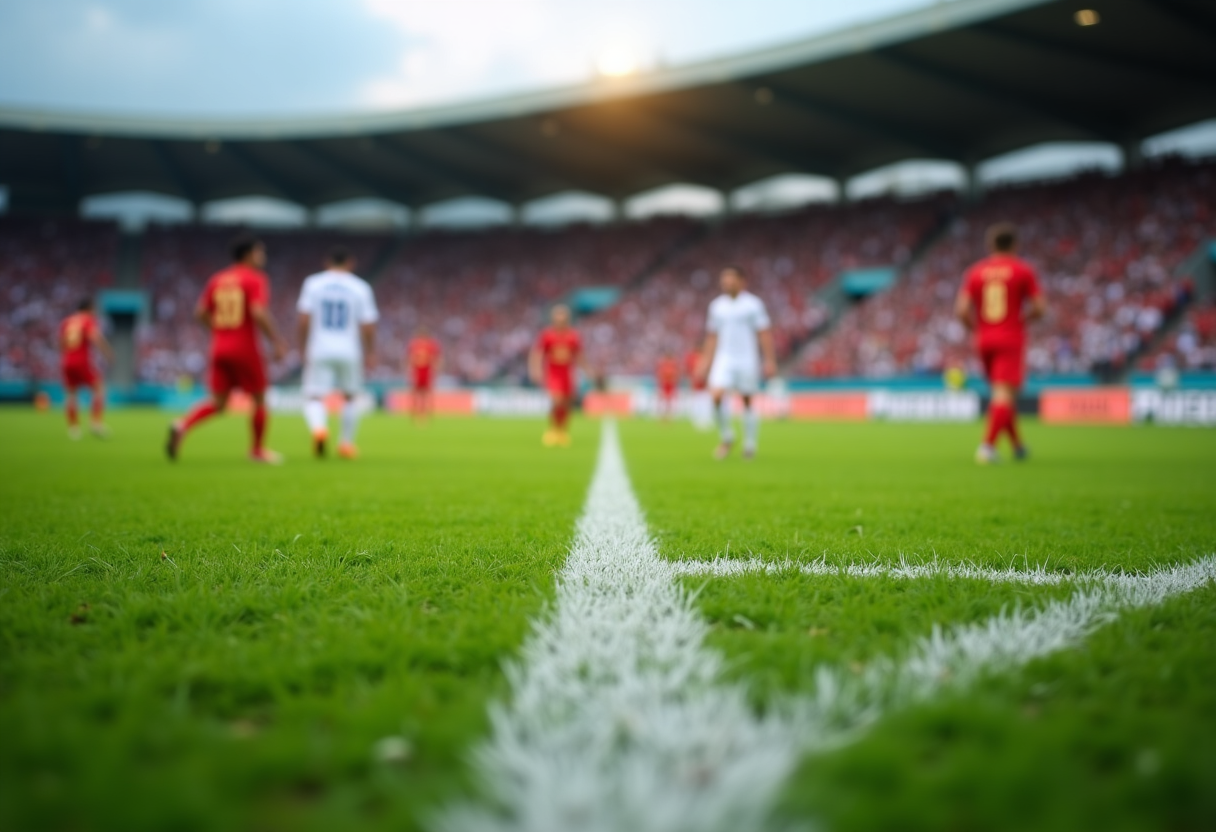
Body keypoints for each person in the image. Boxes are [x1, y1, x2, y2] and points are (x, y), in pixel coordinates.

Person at [167, 235, 288, 463]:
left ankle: (183, 425)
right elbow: (258, 311)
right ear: (249, 254)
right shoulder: (254, 279)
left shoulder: (218, 279)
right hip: (245, 347)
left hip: (219, 346)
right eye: (260, 252)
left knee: (218, 403)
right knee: (260, 399)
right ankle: (257, 450)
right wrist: (276, 341)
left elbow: (199, 313)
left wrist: (219, 330)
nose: (263, 257)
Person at [955, 222, 1045, 464]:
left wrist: (977, 328)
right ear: (1015, 245)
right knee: (1004, 394)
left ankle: (1018, 446)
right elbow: (1039, 307)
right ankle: (987, 447)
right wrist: (1022, 320)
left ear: (990, 246)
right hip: (1010, 337)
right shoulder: (1022, 270)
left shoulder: (975, 271)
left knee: (1003, 394)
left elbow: (962, 309)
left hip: (984, 339)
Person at [297, 246, 379, 459]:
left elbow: (304, 319)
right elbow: (368, 324)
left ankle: (319, 429)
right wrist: (370, 351)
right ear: (351, 263)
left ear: (327, 262)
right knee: (350, 397)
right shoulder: (360, 287)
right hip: (349, 349)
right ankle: (346, 444)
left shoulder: (313, 283)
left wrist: (303, 346)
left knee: (314, 396)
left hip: (320, 347)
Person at [696, 266, 776, 460]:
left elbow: (763, 333)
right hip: (724, 358)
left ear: (742, 281)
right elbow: (712, 336)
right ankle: (727, 436)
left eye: (731, 279)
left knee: (747, 400)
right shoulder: (716, 306)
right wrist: (705, 362)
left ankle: (750, 444)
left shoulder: (753, 304)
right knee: (715, 395)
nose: (727, 283)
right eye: (724, 280)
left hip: (747, 358)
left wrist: (770, 360)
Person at [59, 298, 113, 439]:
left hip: (66, 361)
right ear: (89, 309)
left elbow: (61, 343)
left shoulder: (67, 321)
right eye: (93, 310)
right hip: (82, 361)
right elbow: (95, 338)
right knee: (99, 389)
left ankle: (73, 429)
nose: (95, 313)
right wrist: (108, 353)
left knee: (71, 395)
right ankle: (96, 424)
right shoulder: (87, 320)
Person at [529, 304, 583, 447]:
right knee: (556, 401)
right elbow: (537, 354)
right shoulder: (547, 335)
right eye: (558, 315)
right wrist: (535, 370)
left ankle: (563, 432)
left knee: (566, 404)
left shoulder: (573, 335)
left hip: (568, 374)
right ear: (553, 318)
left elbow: (579, 356)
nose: (561, 318)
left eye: (563, 315)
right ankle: (553, 430)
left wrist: (588, 370)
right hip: (554, 373)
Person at [405, 324, 442, 423]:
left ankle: (422, 414)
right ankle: (419, 414)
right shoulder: (419, 344)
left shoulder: (427, 344)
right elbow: (411, 358)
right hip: (420, 370)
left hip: (424, 370)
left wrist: (435, 368)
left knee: (423, 393)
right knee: (420, 393)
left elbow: (435, 358)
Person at [684, 346, 713, 430]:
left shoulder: (698, 357)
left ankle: (702, 420)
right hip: (700, 383)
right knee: (701, 401)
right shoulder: (700, 357)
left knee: (702, 401)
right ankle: (701, 420)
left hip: (702, 383)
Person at [655, 353, 680, 421]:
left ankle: (668, 416)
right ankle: (663, 416)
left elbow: (676, 374)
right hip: (665, 383)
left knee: (668, 401)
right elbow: (660, 374)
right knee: (664, 400)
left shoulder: (672, 364)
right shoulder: (664, 364)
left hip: (669, 384)